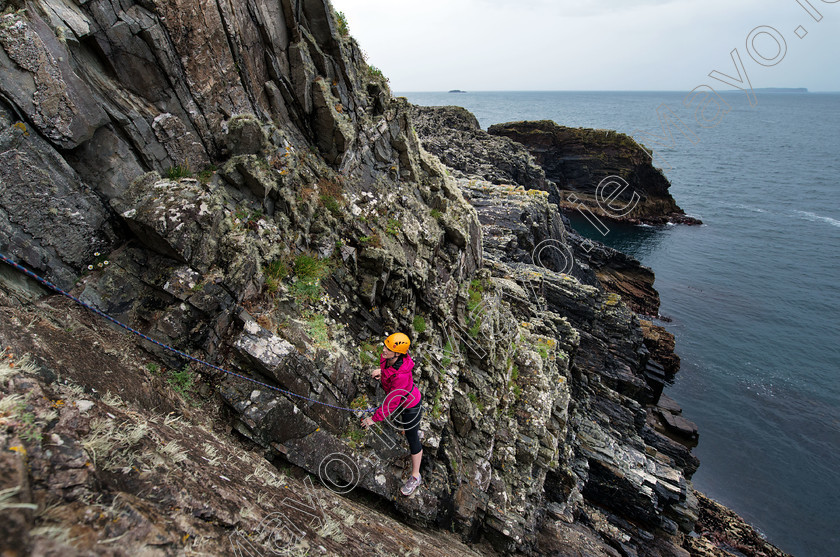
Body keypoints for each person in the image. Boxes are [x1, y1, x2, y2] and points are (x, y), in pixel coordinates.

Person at [361, 332, 423, 496]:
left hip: (410, 405)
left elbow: (391, 403)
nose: (384, 349)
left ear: (398, 353)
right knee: (406, 429)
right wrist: (381, 372)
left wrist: (373, 419)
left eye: (388, 348)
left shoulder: (401, 375)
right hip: (402, 399)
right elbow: (388, 370)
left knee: (412, 437)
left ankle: (416, 476)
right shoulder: (388, 359)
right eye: (385, 346)